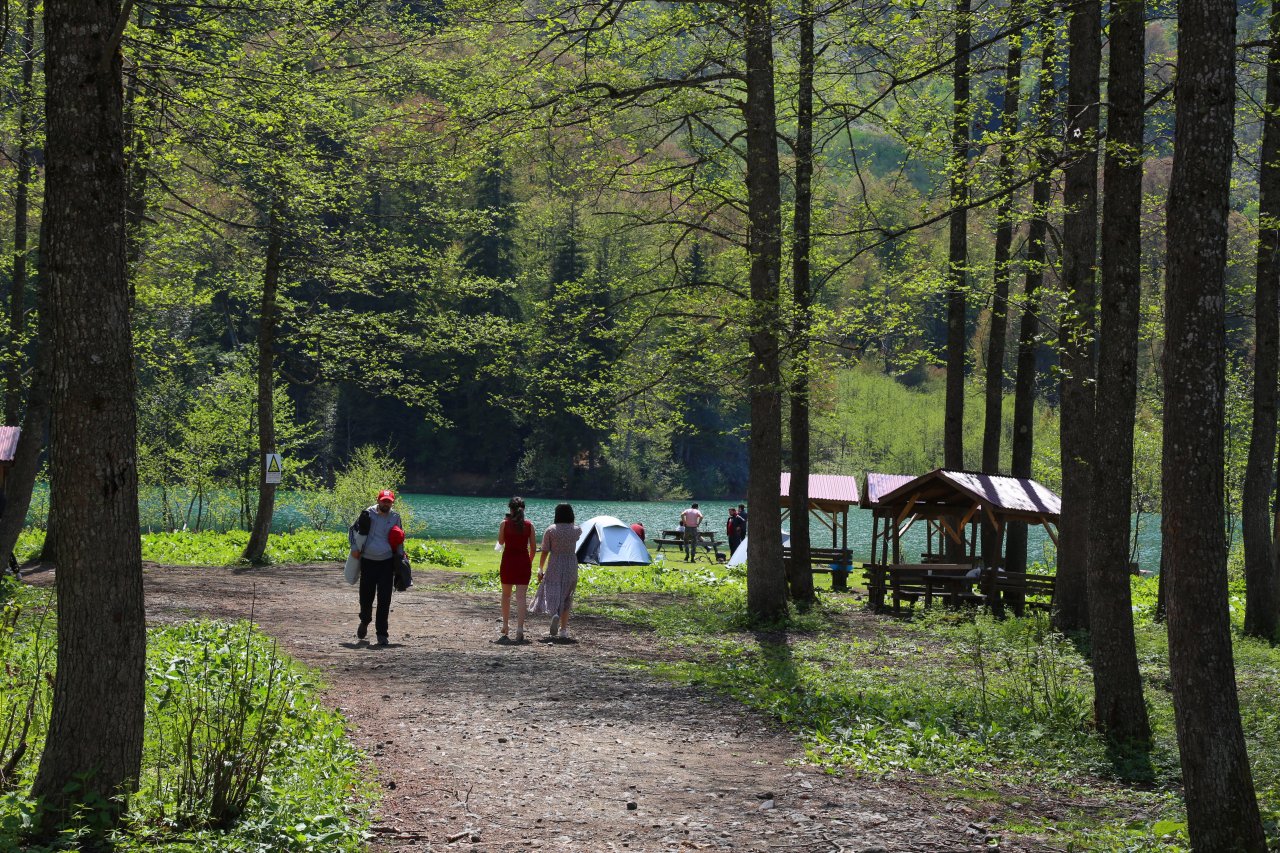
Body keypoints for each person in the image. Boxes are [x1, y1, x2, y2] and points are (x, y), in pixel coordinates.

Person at [349, 489, 405, 646]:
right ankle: (365, 621)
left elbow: (399, 537)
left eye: (389, 501)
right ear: (378, 500)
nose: (386, 503)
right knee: (366, 597)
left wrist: (401, 558)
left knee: (385, 599)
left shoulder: (395, 517)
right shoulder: (367, 513)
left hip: (386, 562)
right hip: (368, 561)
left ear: (392, 502)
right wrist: (354, 548)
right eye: (383, 501)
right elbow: (352, 531)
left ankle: (382, 634)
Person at [530, 503, 581, 641]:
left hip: (555, 563)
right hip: (571, 563)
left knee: (551, 590)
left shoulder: (551, 530)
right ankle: (563, 630)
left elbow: (545, 550)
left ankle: (554, 614)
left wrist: (540, 568)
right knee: (567, 596)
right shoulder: (576, 530)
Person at [497, 497, 536, 643]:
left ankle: (506, 626)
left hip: (508, 562)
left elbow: (501, 542)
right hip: (523, 562)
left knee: (506, 595)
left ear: (510, 509)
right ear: (523, 509)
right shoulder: (529, 525)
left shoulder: (504, 524)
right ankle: (520, 629)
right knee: (521, 597)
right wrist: (529, 562)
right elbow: (533, 548)